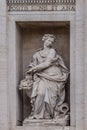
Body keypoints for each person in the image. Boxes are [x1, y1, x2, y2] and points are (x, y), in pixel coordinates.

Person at [26, 34, 69, 119]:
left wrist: (33, 69)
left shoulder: (52, 51)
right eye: (49, 40)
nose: (50, 42)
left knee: (51, 98)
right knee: (41, 93)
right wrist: (30, 71)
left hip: (54, 76)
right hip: (42, 76)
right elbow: (32, 65)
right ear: (44, 40)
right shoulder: (37, 54)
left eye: (52, 42)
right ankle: (37, 114)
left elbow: (47, 63)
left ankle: (48, 115)